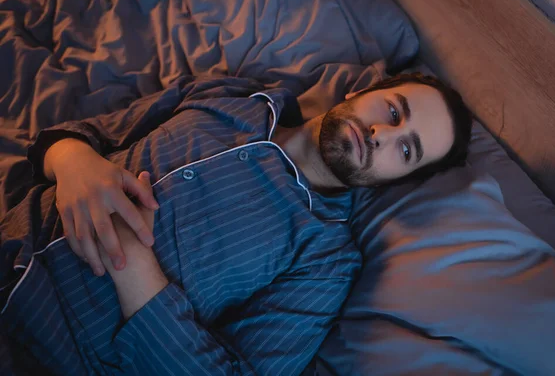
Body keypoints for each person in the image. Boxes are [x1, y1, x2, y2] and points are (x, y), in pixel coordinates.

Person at [0, 72, 472, 375]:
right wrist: (73, 160)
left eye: (405, 150)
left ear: (395, 180)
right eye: (393, 111)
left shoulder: (325, 260)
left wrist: (135, 267)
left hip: (38, 352)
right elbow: (88, 133)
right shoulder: (229, 94)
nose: (380, 135)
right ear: (361, 91)